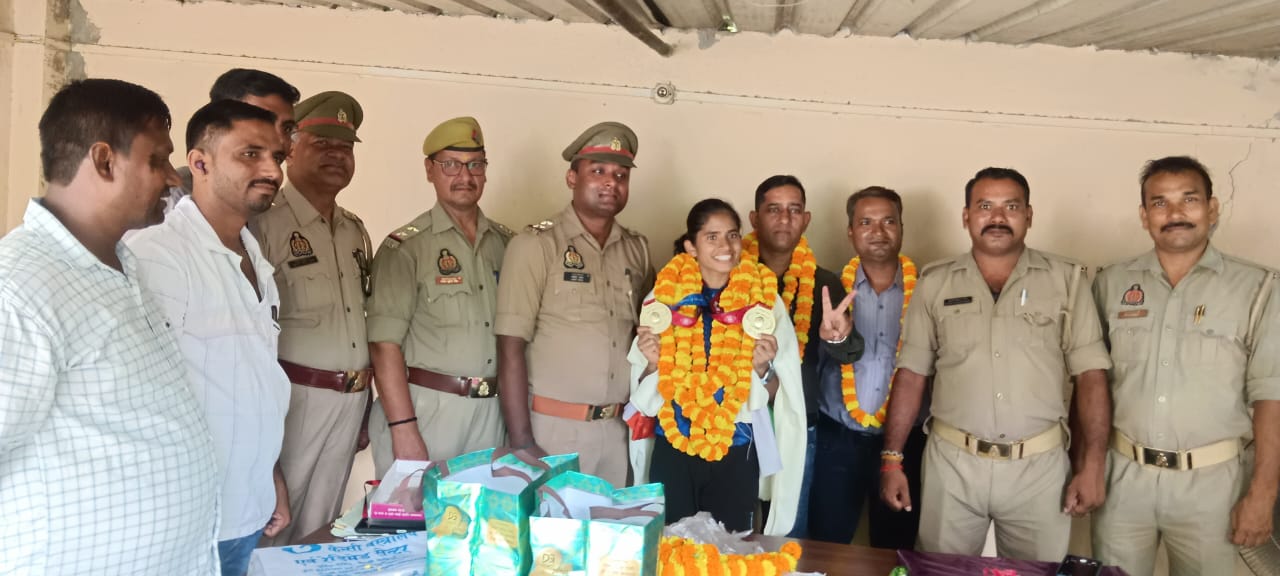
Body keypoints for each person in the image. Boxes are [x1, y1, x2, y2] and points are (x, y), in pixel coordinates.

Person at [0, 78, 219, 574]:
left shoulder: (120, 264)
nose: (173, 178)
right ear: (103, 161)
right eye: (157, 160)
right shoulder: (20, 289)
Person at [879, 167, 1112, 562]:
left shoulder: (1067, 280)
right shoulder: (936, 282)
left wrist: (1092, 466)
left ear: (1029, 215)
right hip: (953, 465)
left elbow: (1090, 376)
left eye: (1011, 207)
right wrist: (892, 459)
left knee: (1036, 573)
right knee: (941, 571)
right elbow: (913, 373)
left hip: (1039, 468)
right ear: (966, 216)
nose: (998, 217)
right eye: (985, 206)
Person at [1091, 155, 1280, 576]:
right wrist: (1088, 467)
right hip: (1124, 478)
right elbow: (1092, 385)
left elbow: (1272, 395)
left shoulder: (1260, 288)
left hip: (1214, 486)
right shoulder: (1111, 283)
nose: (1175, 213)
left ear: (1212, 209)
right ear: (1144, 215)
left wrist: (1263, 493)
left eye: (1189, 199)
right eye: (1160, 203)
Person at [126, 99, 292, 576]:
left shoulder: (255, 259)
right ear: (199, 163)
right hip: (182, 521)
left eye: (277, 157)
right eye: (250, 154)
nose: (272, 170)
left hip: (245, 505)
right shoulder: (157, 255)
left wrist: (271, 474)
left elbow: (253, 382)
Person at [627, 198, 821, 534]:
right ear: (691, 246)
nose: (725, 246)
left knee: (731, 549)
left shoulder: (764, 302)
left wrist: (763, 369)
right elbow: (642, 392)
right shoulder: (663, 299)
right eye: (712, 237)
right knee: (671, 546)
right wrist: (654, 364)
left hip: (736, 448)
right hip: (673, 445)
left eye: (732, 235)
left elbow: (781, 392)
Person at [495, 122, 654, 487]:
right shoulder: (536, 245)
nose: (611, 182)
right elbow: (510, 346)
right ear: (572, 178)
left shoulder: (637, 250)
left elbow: (648, 333)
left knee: (613, 525)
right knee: (551, 526)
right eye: (598, 171)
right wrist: (522, 441)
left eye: (621, 175)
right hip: (553, 432)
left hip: (619, 432)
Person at [249, 91, 372, 545]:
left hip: (350, 401)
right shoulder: (264, 224)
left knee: (322, 525)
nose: (337, 155)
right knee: (273, 521)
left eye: (346, 147)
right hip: (293, 401)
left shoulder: (355, 230)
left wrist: (366, 403)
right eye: (323, 144)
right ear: (291, 148)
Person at [366, 116, 511, 476]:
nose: (465, 176)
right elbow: (384, 346)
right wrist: (403, 428)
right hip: (427, 411)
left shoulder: (508, 244)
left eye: (475, 165)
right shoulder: (406, 248)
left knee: (487, 511)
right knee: (418, 512)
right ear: (429, 170)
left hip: (493, 413)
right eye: (451, 165)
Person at [743, 174, 862, 537]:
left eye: (794, 210)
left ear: (806, 220)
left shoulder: (823, 283)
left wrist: (838, 337)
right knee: (734, 525)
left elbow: (851, 352)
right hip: (738, 421)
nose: (785, 219)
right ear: (754, 218)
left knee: (789, 530)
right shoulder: (732, 277)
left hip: (797, 421)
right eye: (774, 209)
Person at [809, 186, 925, 548]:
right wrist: (834, 338)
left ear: (902, 228)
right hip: (837, 439)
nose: (878, 231)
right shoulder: (827, 289)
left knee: (896, 548)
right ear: (850, 232)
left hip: (905, 442)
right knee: (826, 545)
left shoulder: (928, 291)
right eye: (866, 222)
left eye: (888, 221)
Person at [163, 68, 299, 217]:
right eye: (261, 121)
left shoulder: (256, 204)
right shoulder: (166, 205)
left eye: (287, 128)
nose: (279, 140)